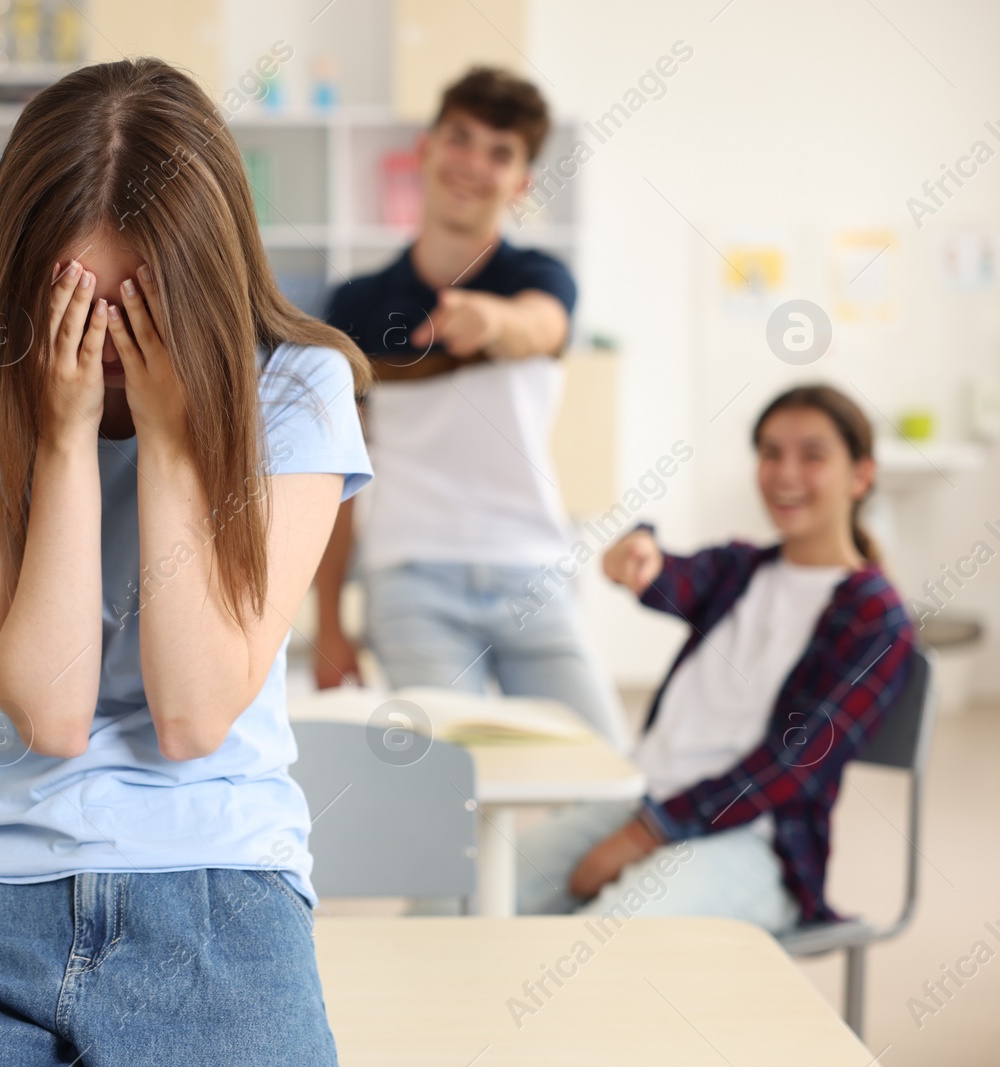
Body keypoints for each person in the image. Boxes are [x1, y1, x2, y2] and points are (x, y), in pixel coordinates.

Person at [0, 57, 373, 1066]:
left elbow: (192, 716)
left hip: (221, 884)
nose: (110, 341)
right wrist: (60, 435)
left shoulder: (301, 388)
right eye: (80, 306)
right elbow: (49, 714)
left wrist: (174, 442)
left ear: (208, 281)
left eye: (144, 306)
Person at [516, 385, 916, 931]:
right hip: (643, 801)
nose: (784, 473)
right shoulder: (741, 568)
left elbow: (793, 762)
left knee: (598, 947)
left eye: (813, 455)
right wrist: (637, 550)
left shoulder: (876, 617)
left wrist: (647, 835)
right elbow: (668, 578)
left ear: (861, 476)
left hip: (754, 846)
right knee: (455, 905)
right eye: (770, 453)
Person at [313, 66, 629, 751]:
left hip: (533, 574)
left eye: (501, 152)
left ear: (523, 183)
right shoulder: (356, 305)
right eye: (461, 138)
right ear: (424, 150)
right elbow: (338, 474)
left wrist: (491, 320)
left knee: (607, 771)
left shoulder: (539, 279)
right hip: (409, 579)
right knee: (455, 785)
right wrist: (331, 620)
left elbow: (539, 326)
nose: (474, 164)